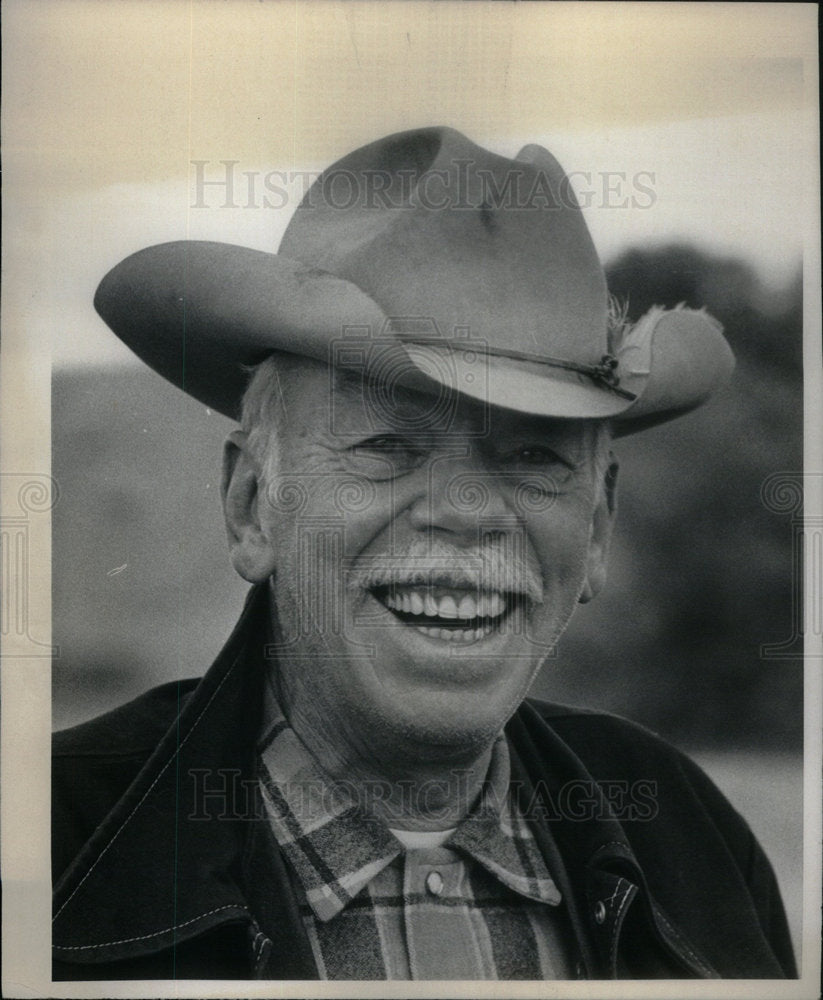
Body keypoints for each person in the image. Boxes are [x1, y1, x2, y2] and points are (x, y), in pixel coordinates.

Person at [51, 127, 796, 981]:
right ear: (252, 504)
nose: (467, 514)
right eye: (384, 445)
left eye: (533, 457)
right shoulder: (54, 840)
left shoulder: (693, 838)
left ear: (594, 531)